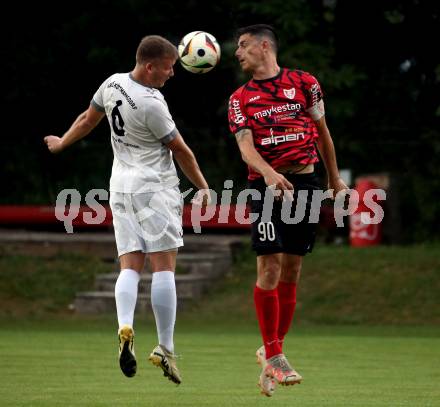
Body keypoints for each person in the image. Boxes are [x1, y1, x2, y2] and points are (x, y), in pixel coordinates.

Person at [44, 35, 210, 385]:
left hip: (120, 186)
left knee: (130, 265)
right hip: (154, 189)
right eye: (168, 68)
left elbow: (87, 119)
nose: (171, 74)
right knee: (164, 268)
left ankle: (125, 325)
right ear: (150, 67)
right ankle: (165, 347)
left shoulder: (112, 83)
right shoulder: (153, 103)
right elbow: (181, 151)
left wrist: (62, 142)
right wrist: (204, 187)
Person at [227, 24, 348, 396]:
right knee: (269, 265)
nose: (237, 52)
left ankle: (269, 350)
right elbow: (245, 148)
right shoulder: (239, 98)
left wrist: (334, 180)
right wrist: (268, 174)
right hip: (264, 188)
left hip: (307, 185)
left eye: (244, 45)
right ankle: (277, 356)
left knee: (292, 269)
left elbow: (323, 132)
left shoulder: (304, 82)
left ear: (265, 47)